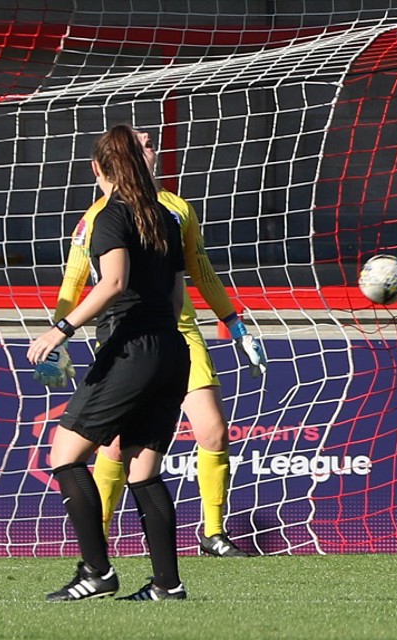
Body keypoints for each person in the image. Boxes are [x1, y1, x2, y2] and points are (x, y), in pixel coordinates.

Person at [46, 128, 265, 558]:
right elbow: (76, 280)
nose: (152, 148)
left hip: (177, 334)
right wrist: (60, 334)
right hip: (129, 337)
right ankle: (100, 541)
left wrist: (234, 324)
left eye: (152, 143)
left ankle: (212, 534)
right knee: (117, 449)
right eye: (143, 143)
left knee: (213, 431)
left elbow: (199, 271)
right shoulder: (98, 216)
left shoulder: (176, 209)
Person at [27, 124, 190, 601]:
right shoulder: (165, 216)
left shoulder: (109, 216)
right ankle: (166, 585)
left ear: (97, 168)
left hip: (131, 350)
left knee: (64, 456)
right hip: (171, 350)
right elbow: (178, 297)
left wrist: (62, 328)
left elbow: (113, 282)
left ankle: (97, 572)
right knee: (143, 471)